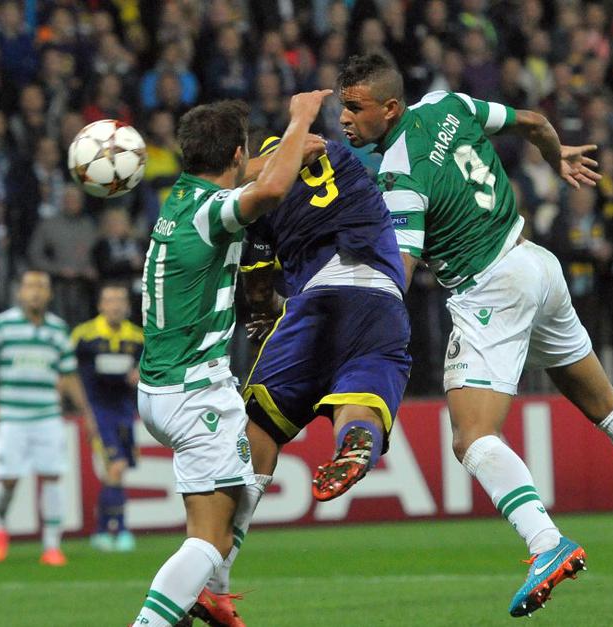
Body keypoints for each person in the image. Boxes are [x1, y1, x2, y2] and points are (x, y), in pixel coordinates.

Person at [336, 54, 613, 618]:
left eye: (354, 107)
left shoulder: (399, 177)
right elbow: (533, 121)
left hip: (490, 292)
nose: (344, 118)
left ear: (388, 108)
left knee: (471, 438)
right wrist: (559, 157)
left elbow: (399, 274)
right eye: (341, 106)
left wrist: (345, 309)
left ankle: (545, 542)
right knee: (605, 403)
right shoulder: (448, 103)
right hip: (536, 263)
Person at [131, 90, 331, 627]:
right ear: (237, 153)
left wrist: (291, 150)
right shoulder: (212, 212)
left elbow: (255, 174)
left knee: (251, 471)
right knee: (210, 540)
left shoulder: (182, 196)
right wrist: (300, 120)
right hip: (195, 392)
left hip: (162, 388)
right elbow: (269, 188)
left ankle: (212, 596)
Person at [195, 131, 412, 624]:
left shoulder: (261, 198)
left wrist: (265, 307)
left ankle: (216, 579)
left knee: (259, 429)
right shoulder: (344, 159)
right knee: (362, 393)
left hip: (313, 301)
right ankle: (356, 441)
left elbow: (257, 279)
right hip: (381, 298)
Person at [0, 269, 98, 566]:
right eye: (30, 286)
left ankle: (52, 546)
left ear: (49, 294)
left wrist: (86, 413)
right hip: (12, 416)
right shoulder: (2, 325)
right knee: (8, 479)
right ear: (20, 292)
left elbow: (68, 374)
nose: (35, 292)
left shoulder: (58, 329)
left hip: (47, 415)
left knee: (52, 475)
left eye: (41, 286)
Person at [72, 284, 143, 552]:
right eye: (109, 300)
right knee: (116, 466)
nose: (115, 306)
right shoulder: (84, 335)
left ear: (127, 306)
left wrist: (140, 374)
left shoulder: (138, 338)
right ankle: (120, 529)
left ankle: (101, 530)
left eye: (120, 300)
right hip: (98, 411)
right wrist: (82, 412)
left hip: (124, 411)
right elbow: (67, 371)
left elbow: (149, 367)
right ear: (100, 305)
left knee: (116, 471)